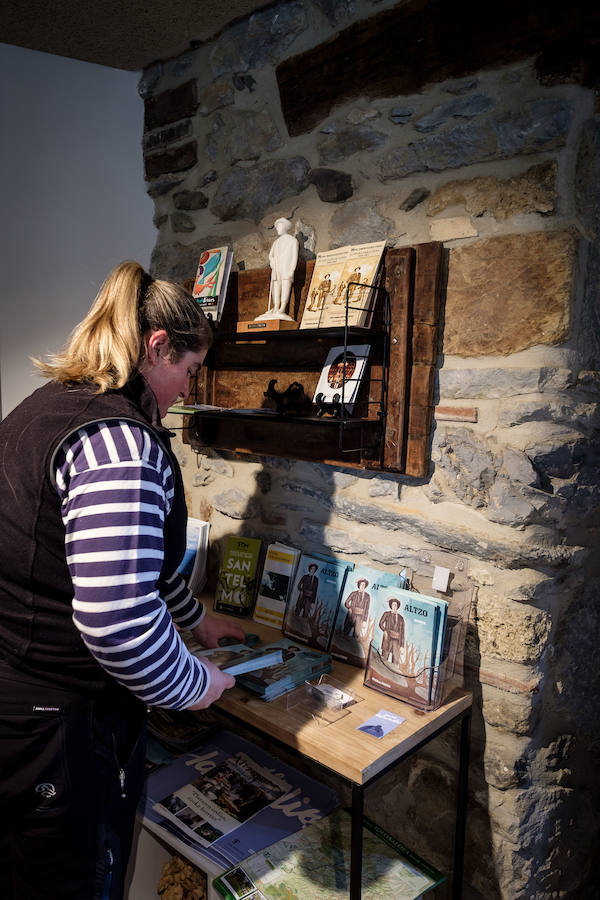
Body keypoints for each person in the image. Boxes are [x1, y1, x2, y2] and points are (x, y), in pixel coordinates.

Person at [0, 260, 246, 899]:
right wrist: (196, 684)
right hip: (59, 720)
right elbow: (115, 617)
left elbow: (128, 560)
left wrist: (197, 620)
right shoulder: (119, 442)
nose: (187, 390)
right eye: (190, 370)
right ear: (157, 348)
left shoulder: (46, 406)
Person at [256, 217, 298, 320]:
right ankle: (276, 306)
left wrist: (291, 271)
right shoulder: (276, 242)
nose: (278, 229)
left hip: (286, 268)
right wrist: (272, 260)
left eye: (280, 227)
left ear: (285, 227)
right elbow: (271, 255)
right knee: (276, 287)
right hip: (277, 268)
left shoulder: (293, 241)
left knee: (285, 286)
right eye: (277, 227)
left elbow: (294, 257)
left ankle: (282, 307)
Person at [378, 597, 405, 666]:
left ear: (398, 606)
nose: (394, 606)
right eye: (393, 605)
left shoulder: (401, 618)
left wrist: (402, 646)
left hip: (397, 641)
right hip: (388, 639)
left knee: (395, 661)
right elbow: (380, 624)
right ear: (390, 606)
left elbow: (402, 633)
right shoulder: (386, 614)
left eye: (395, 605)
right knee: (384, 658)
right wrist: (384, 631)